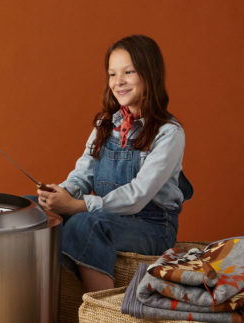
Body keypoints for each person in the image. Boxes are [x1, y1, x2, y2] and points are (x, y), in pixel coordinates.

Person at [37, 34, 193, 292]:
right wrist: (60, 193)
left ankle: (100, 312)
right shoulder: (105, 124)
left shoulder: (169, 133)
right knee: (31, 211)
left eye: (128, 72)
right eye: (112, 74)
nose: (118, 82)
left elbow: (137, 196)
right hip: (108, 216)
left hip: (152, 227)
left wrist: (78, 206)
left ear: (149, 75)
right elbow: (83, 174)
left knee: (85, 223)